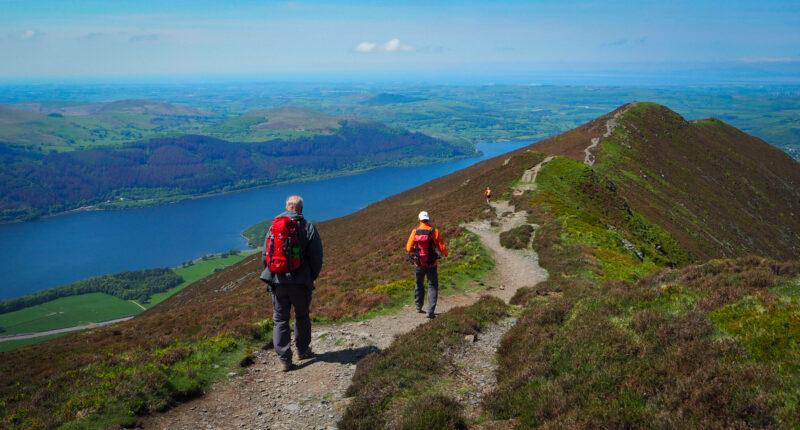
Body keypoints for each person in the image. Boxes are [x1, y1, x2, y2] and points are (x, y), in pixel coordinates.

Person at [261, 195, 323, 372]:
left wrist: (272, 274)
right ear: (301, 209)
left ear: (287, 207)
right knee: (302, 316)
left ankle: (284, 360)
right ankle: (302, 351)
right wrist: (311, 276)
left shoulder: (274, 227)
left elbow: (265, 255)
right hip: (301, 282)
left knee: (280, 319)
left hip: (278, 282)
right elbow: (317, 256)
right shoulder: (307, 226)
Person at [406, 211, 448, 319]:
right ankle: (430, 311)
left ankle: (418, 307)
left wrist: (417, 249)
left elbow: (408, 248)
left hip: (419, 263)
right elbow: (442, 246)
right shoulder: (435, 231)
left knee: (419, 284)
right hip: (432, 263)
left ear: (419, 219)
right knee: (432, 286)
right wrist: (446, 254)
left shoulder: (415, 231)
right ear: (428, 219)